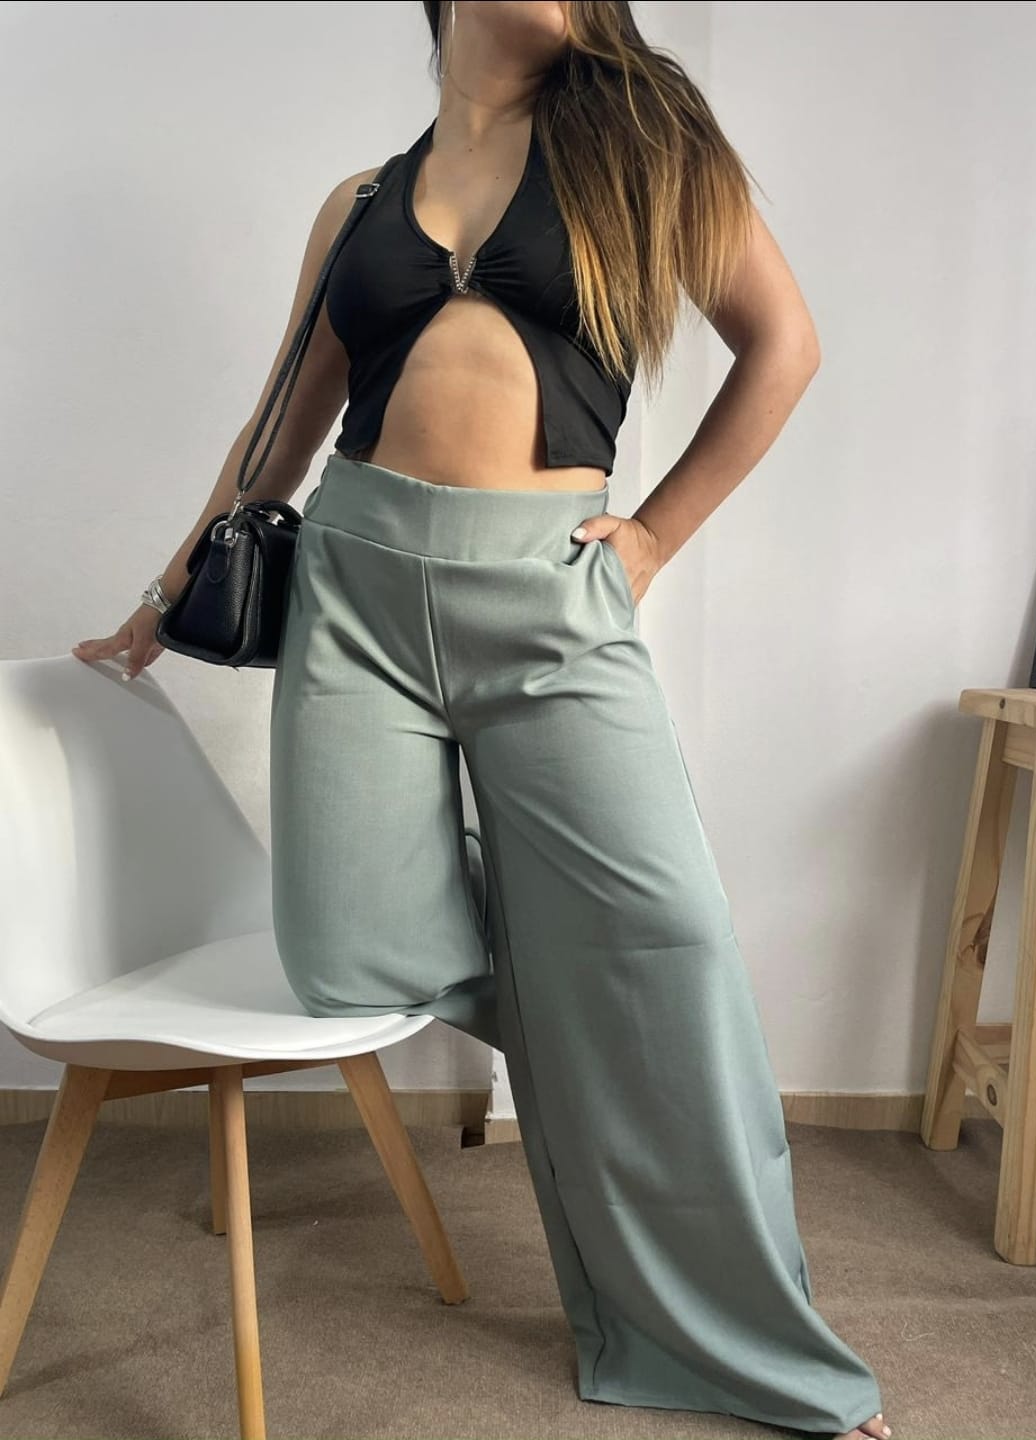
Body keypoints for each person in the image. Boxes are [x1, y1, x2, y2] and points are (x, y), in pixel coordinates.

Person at [72, 3, 893, 1436]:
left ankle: (754, 1345)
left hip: (550, 599)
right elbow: (283, 428)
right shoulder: (360, 202)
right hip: (356, 593)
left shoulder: (649, 149)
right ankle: (591, 1002)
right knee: (347, 954)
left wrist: (652, 539)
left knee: (669, 942)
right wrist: (165, 590)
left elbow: (788, 346)